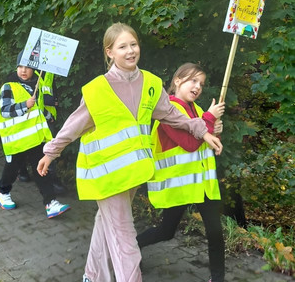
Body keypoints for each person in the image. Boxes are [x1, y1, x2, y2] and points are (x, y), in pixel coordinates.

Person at [36, 23, 223, 282]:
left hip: (134, 174)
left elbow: (172, 117)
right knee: (124, 236)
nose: (130, 51)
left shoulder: (151, 83)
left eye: (133, 44)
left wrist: (203, 131)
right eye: (122, 46)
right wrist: (51, 152)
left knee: (106, 226)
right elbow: (73, 125)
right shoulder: (97, 89)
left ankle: (92, 275)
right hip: (105, 174)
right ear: (109, 52)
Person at [136, 63, 226, 282]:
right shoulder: (169, 110)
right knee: (166, 231)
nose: (198, 87)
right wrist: (210, 120)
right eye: (193, 80)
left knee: (215, 232)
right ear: (177, 80)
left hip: (202, 185)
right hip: (179, 186)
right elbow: (189, 143)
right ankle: (129, 251)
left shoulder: (197, 109)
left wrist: (214, 131)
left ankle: (218, 278)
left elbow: (206, 145)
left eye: (201, 84)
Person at [0, 50, 70, 218]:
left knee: (41, 170)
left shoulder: (38, 86)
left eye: (28, 67)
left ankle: (51, 203)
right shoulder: (9, 86)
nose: (23, 70)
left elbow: (40, 110)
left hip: (35, 140)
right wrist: (24, 105)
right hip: (17, 140)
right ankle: (3, 192)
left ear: (34, 69)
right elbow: (5, 110)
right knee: (12, 169)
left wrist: (49, 117)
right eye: (20, 66)